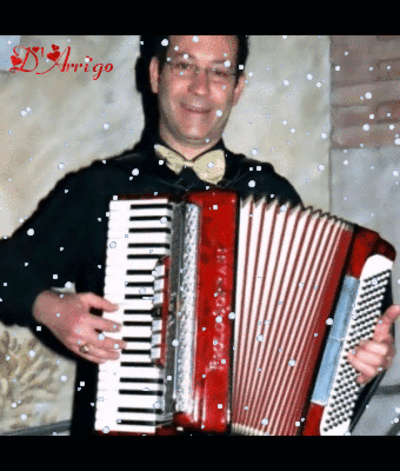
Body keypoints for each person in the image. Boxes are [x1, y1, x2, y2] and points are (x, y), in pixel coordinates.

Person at [0, 35, 398, 435]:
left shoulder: (270, 193)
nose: (200, 87)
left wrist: (362, 360)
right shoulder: (99, 189)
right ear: (156, 74)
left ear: (237, 89)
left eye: (219, 72)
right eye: (184, 65)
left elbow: (328, 331)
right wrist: (48, 308)